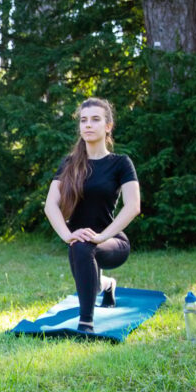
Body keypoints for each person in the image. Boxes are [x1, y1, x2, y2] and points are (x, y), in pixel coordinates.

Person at [43, 97, 141, 334]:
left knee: (84, 245)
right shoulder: (69, 163)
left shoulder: (120, 163)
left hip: (112, 241)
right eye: (84, 120)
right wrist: (68, 236)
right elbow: (50, 205)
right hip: (79, 242)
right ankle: (107, 285)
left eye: (95, 119)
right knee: (81, 247)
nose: (88, 125)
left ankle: (85, 324)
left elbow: (133, 206)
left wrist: (101, 236)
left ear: (108, 126)